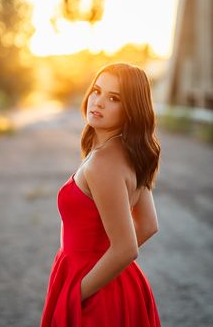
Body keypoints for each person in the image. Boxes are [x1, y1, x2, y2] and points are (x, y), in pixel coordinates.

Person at [40, 62, 161, 326]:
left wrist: (76, 292)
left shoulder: (102, 164)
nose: (99, 102)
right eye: (97, 91)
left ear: (131, 109)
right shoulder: (131, 153)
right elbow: (149, 225)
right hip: (115, 281)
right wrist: (107, 257)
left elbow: (126, 248)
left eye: (114, 98)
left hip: (94, 291)